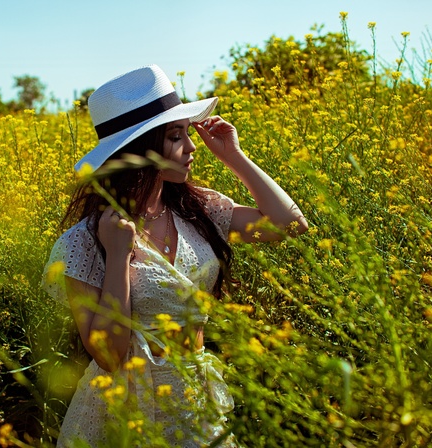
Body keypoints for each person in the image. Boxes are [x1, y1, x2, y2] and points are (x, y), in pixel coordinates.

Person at [43, 64, 308, 447]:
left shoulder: (198, 211)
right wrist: (119, 256)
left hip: (196, 400)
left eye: (186, 133)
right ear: (141, 149)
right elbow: (109, 355)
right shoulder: (84, 242)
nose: (192, 147)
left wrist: (234, 156)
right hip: (125, 410)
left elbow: (289, 225)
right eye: (175, 136)